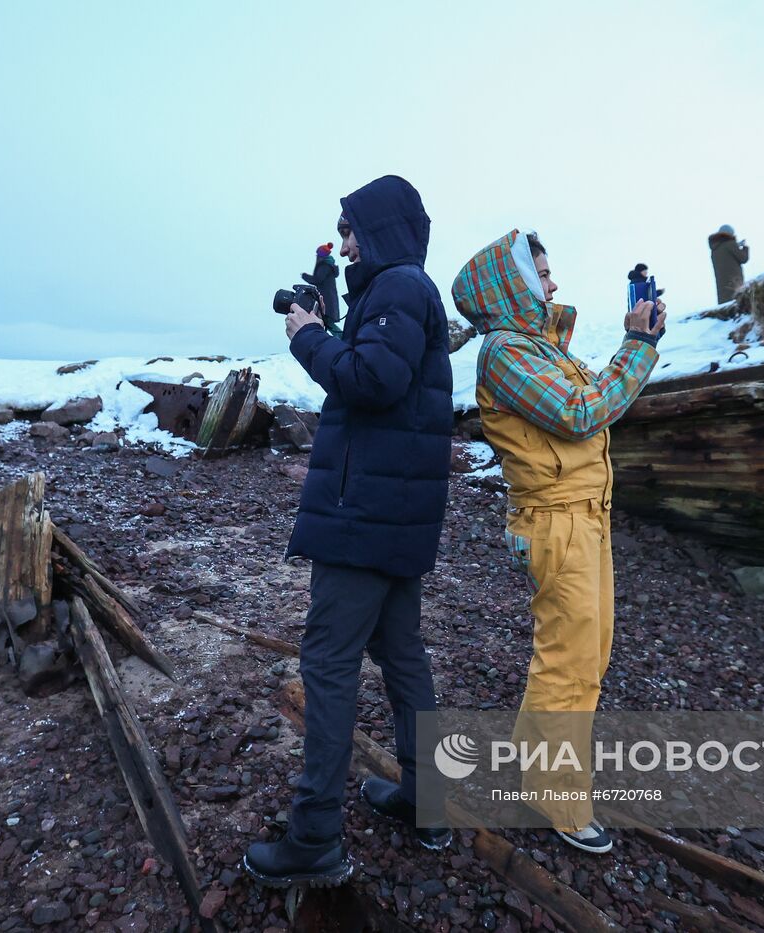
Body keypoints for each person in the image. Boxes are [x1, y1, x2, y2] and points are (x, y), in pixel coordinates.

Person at [244, 175, 454, 888]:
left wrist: (307, 340)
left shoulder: (398, 286)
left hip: (364, 520)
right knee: (402, 656)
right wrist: (329, 326)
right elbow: (380, 376)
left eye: (351, 226)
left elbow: (368, 381)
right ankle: (428, 800)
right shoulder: (398, 291)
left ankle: (314, 837)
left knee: (328, 665)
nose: (344, 240)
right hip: (392, 517)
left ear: (384, 228)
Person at [451, 229, 666, 854]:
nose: (553, 285)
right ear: (513, 284)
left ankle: (537, 761)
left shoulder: (539, 349)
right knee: (569, 661)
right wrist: (638, 345)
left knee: (590, 652)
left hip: (586, 515)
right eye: (542, 274)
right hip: (557, 521)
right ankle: (556, 795)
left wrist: (636, 345)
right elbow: (580, 412)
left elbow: (589, 398)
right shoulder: (505, 355)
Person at [301, 242, 344, 337]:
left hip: (326, 300)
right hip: (328, 299)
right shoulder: (328, 265)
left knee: (327, 322)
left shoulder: (324, 266)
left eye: (318, 254)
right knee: (326, 323)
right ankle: (339, 339)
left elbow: (317, 279)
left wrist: (304, 276)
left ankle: (343, 338)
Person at [709, 224, 749, 303]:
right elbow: (743, 259)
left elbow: (726, 253)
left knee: (725, 304)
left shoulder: (714, 250)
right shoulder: (731, 244)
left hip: (721, 285)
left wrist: (736, 245)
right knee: (738, 303)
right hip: (735, 281)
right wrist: (744, 247)